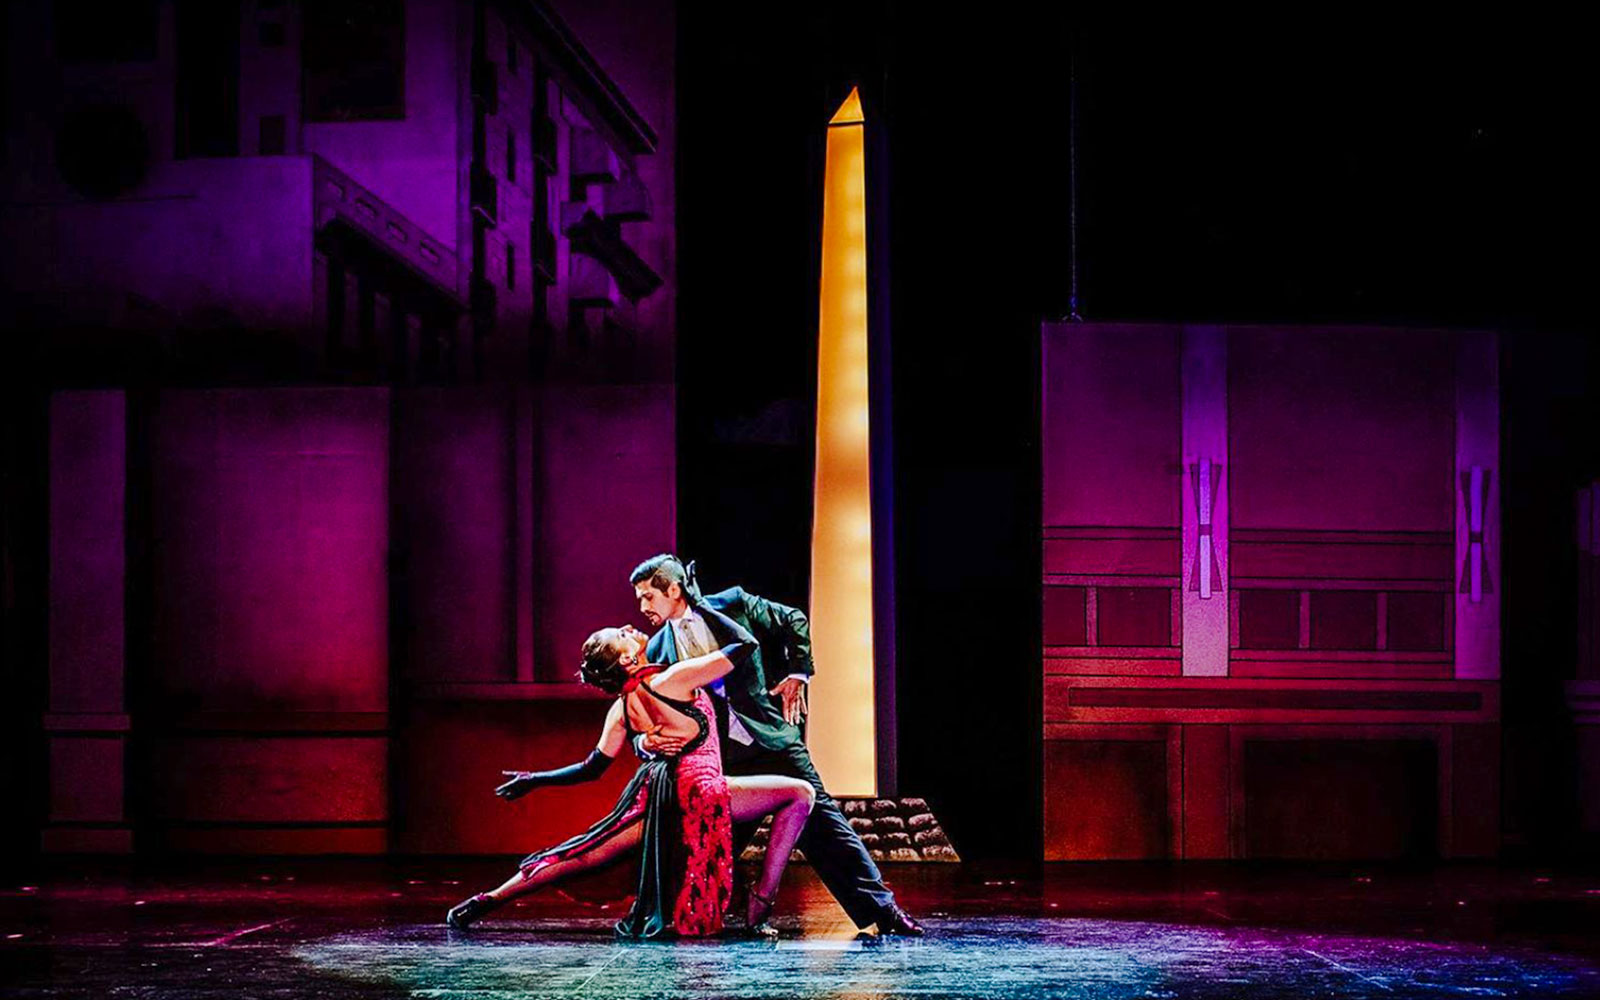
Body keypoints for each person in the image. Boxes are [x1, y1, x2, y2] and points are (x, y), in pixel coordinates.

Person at [444, 603, 815, 939]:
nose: (627, 626)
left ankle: (489, 899)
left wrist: (535, 779)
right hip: (696, 788)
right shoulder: (673, 679)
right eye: (621, 635)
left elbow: (592, 767)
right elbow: (744, 644)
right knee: (801, 794)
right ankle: (761, 902)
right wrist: (697, 604)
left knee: (586, 852)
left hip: (658, 791)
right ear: (625, 659)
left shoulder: (622, 709)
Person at [630, 554, 924, 936]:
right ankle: (688, 911)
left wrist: (797, 673)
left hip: (770, 740)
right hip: (722, 760)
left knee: (827, 825)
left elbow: (792, 620)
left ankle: (884, 912)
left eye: (649, 597)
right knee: (708, 845)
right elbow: (635, 711)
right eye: (639, 599)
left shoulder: (731, 604)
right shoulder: (658, 651)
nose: (642, 607)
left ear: (674, 589)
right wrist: (644, 742)